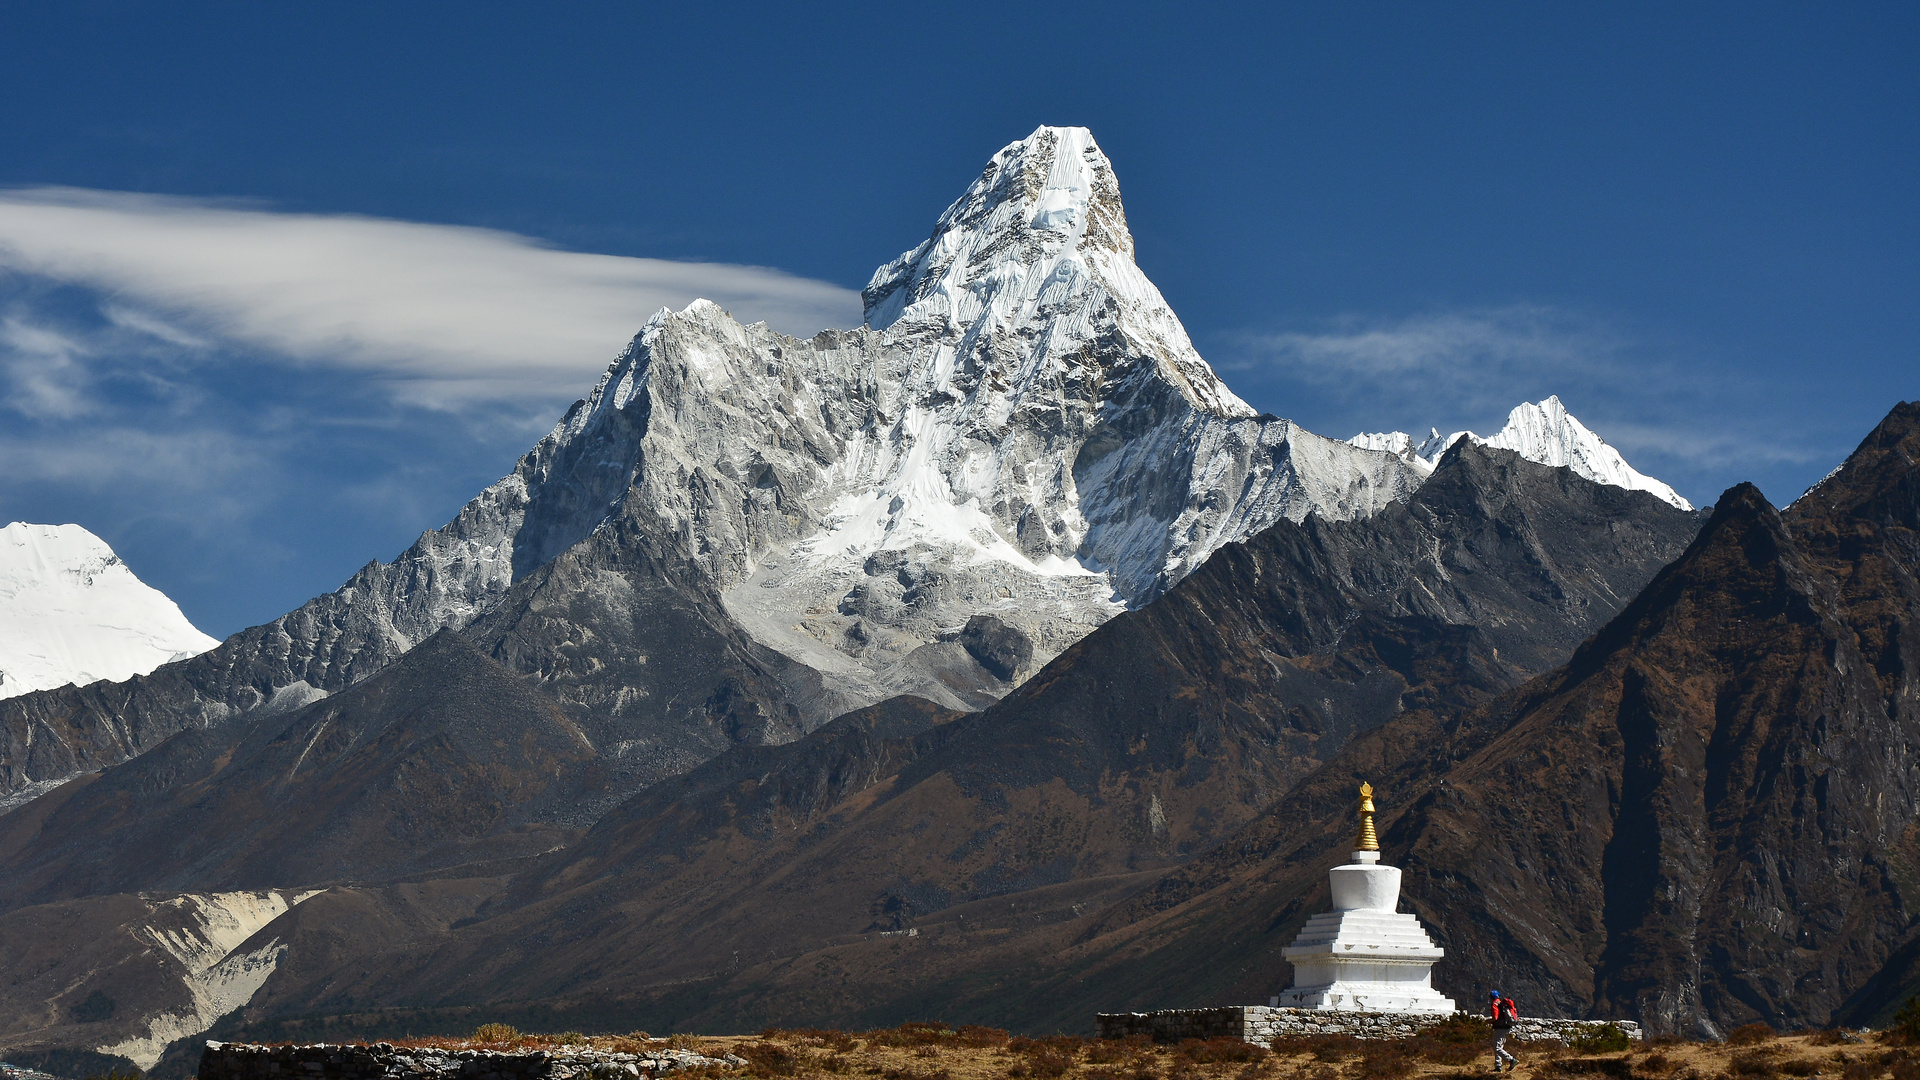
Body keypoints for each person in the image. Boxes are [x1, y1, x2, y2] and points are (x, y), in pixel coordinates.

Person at [1489, 990, 1520, 1072]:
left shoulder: (1495, 1005)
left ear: (1491, 997)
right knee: (1499, 1046)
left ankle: (1511, 1060)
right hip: (1507, 1027)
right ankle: (1498, 1066)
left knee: (1497, 1048)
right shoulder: (1502, 1004)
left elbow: (1495, 1018)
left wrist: (1487, 1021)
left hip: (1501, 1028)